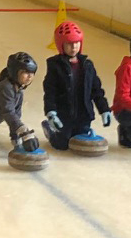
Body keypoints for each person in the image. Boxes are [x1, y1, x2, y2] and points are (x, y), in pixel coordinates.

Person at [41, 21, 111, 151]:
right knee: (62, 145)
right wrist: (51, 113)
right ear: (61, 45)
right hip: (64, 114)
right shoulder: (55, 66)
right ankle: (50, 131)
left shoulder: (87, 65)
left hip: (83, 115)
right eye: (69, 44)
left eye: (77, 43)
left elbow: (96, 91)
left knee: (80, 142)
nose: (74, 47)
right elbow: (50, 91)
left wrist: (104, 109)